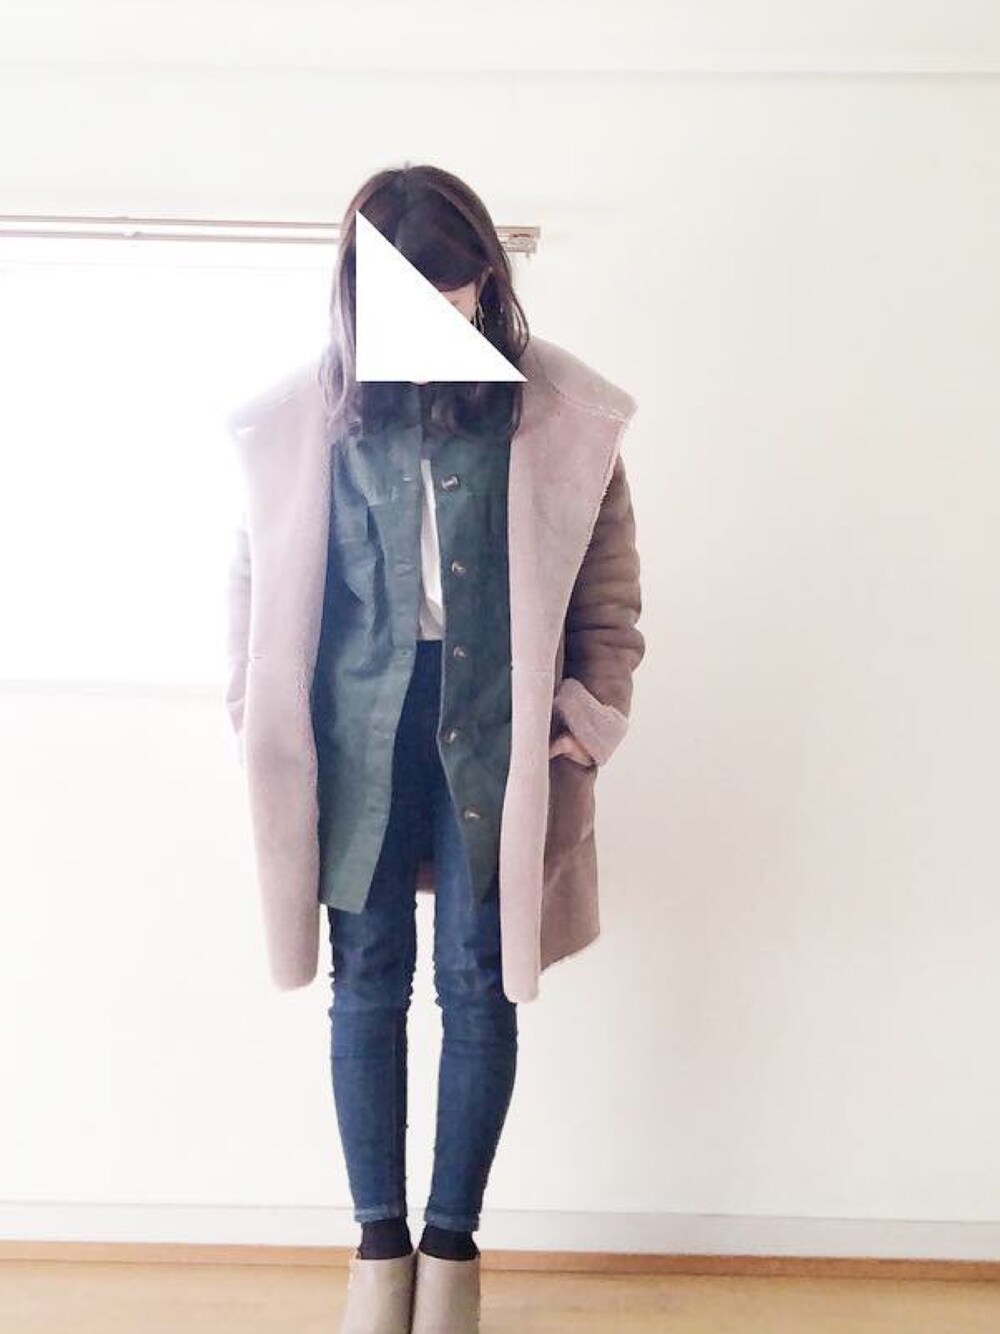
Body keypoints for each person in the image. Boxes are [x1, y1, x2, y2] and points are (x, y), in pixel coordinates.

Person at [224, 162, 645, 1334]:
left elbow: (609, 598)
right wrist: (252, 709)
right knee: (365, 980)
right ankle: (378, 1256)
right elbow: (251, 580)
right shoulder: (308, 416)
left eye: (454, 288)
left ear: (486, 280)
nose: (438, 311)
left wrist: (583, 723)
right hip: (353, 731)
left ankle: (451, 1254)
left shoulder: (556, 413)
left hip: (500, 730)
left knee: (478, 977)